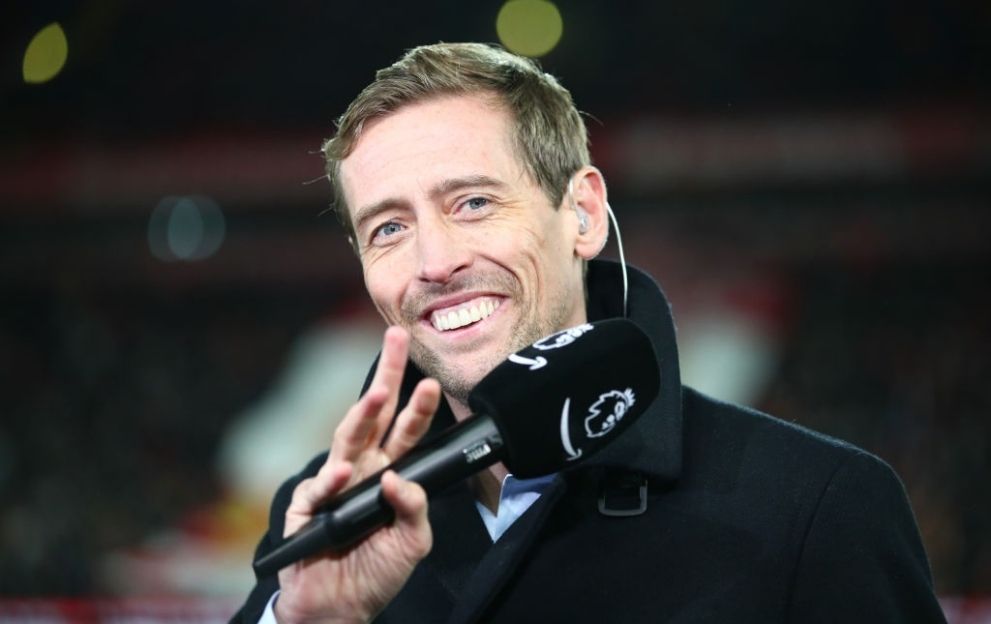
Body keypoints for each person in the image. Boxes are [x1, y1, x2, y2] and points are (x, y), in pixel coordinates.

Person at [233, 42, 945, 623]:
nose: (434, 262)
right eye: (388, 228)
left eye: (473, 202)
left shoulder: (816, 505)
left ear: (582, 214)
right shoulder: (325, 518)